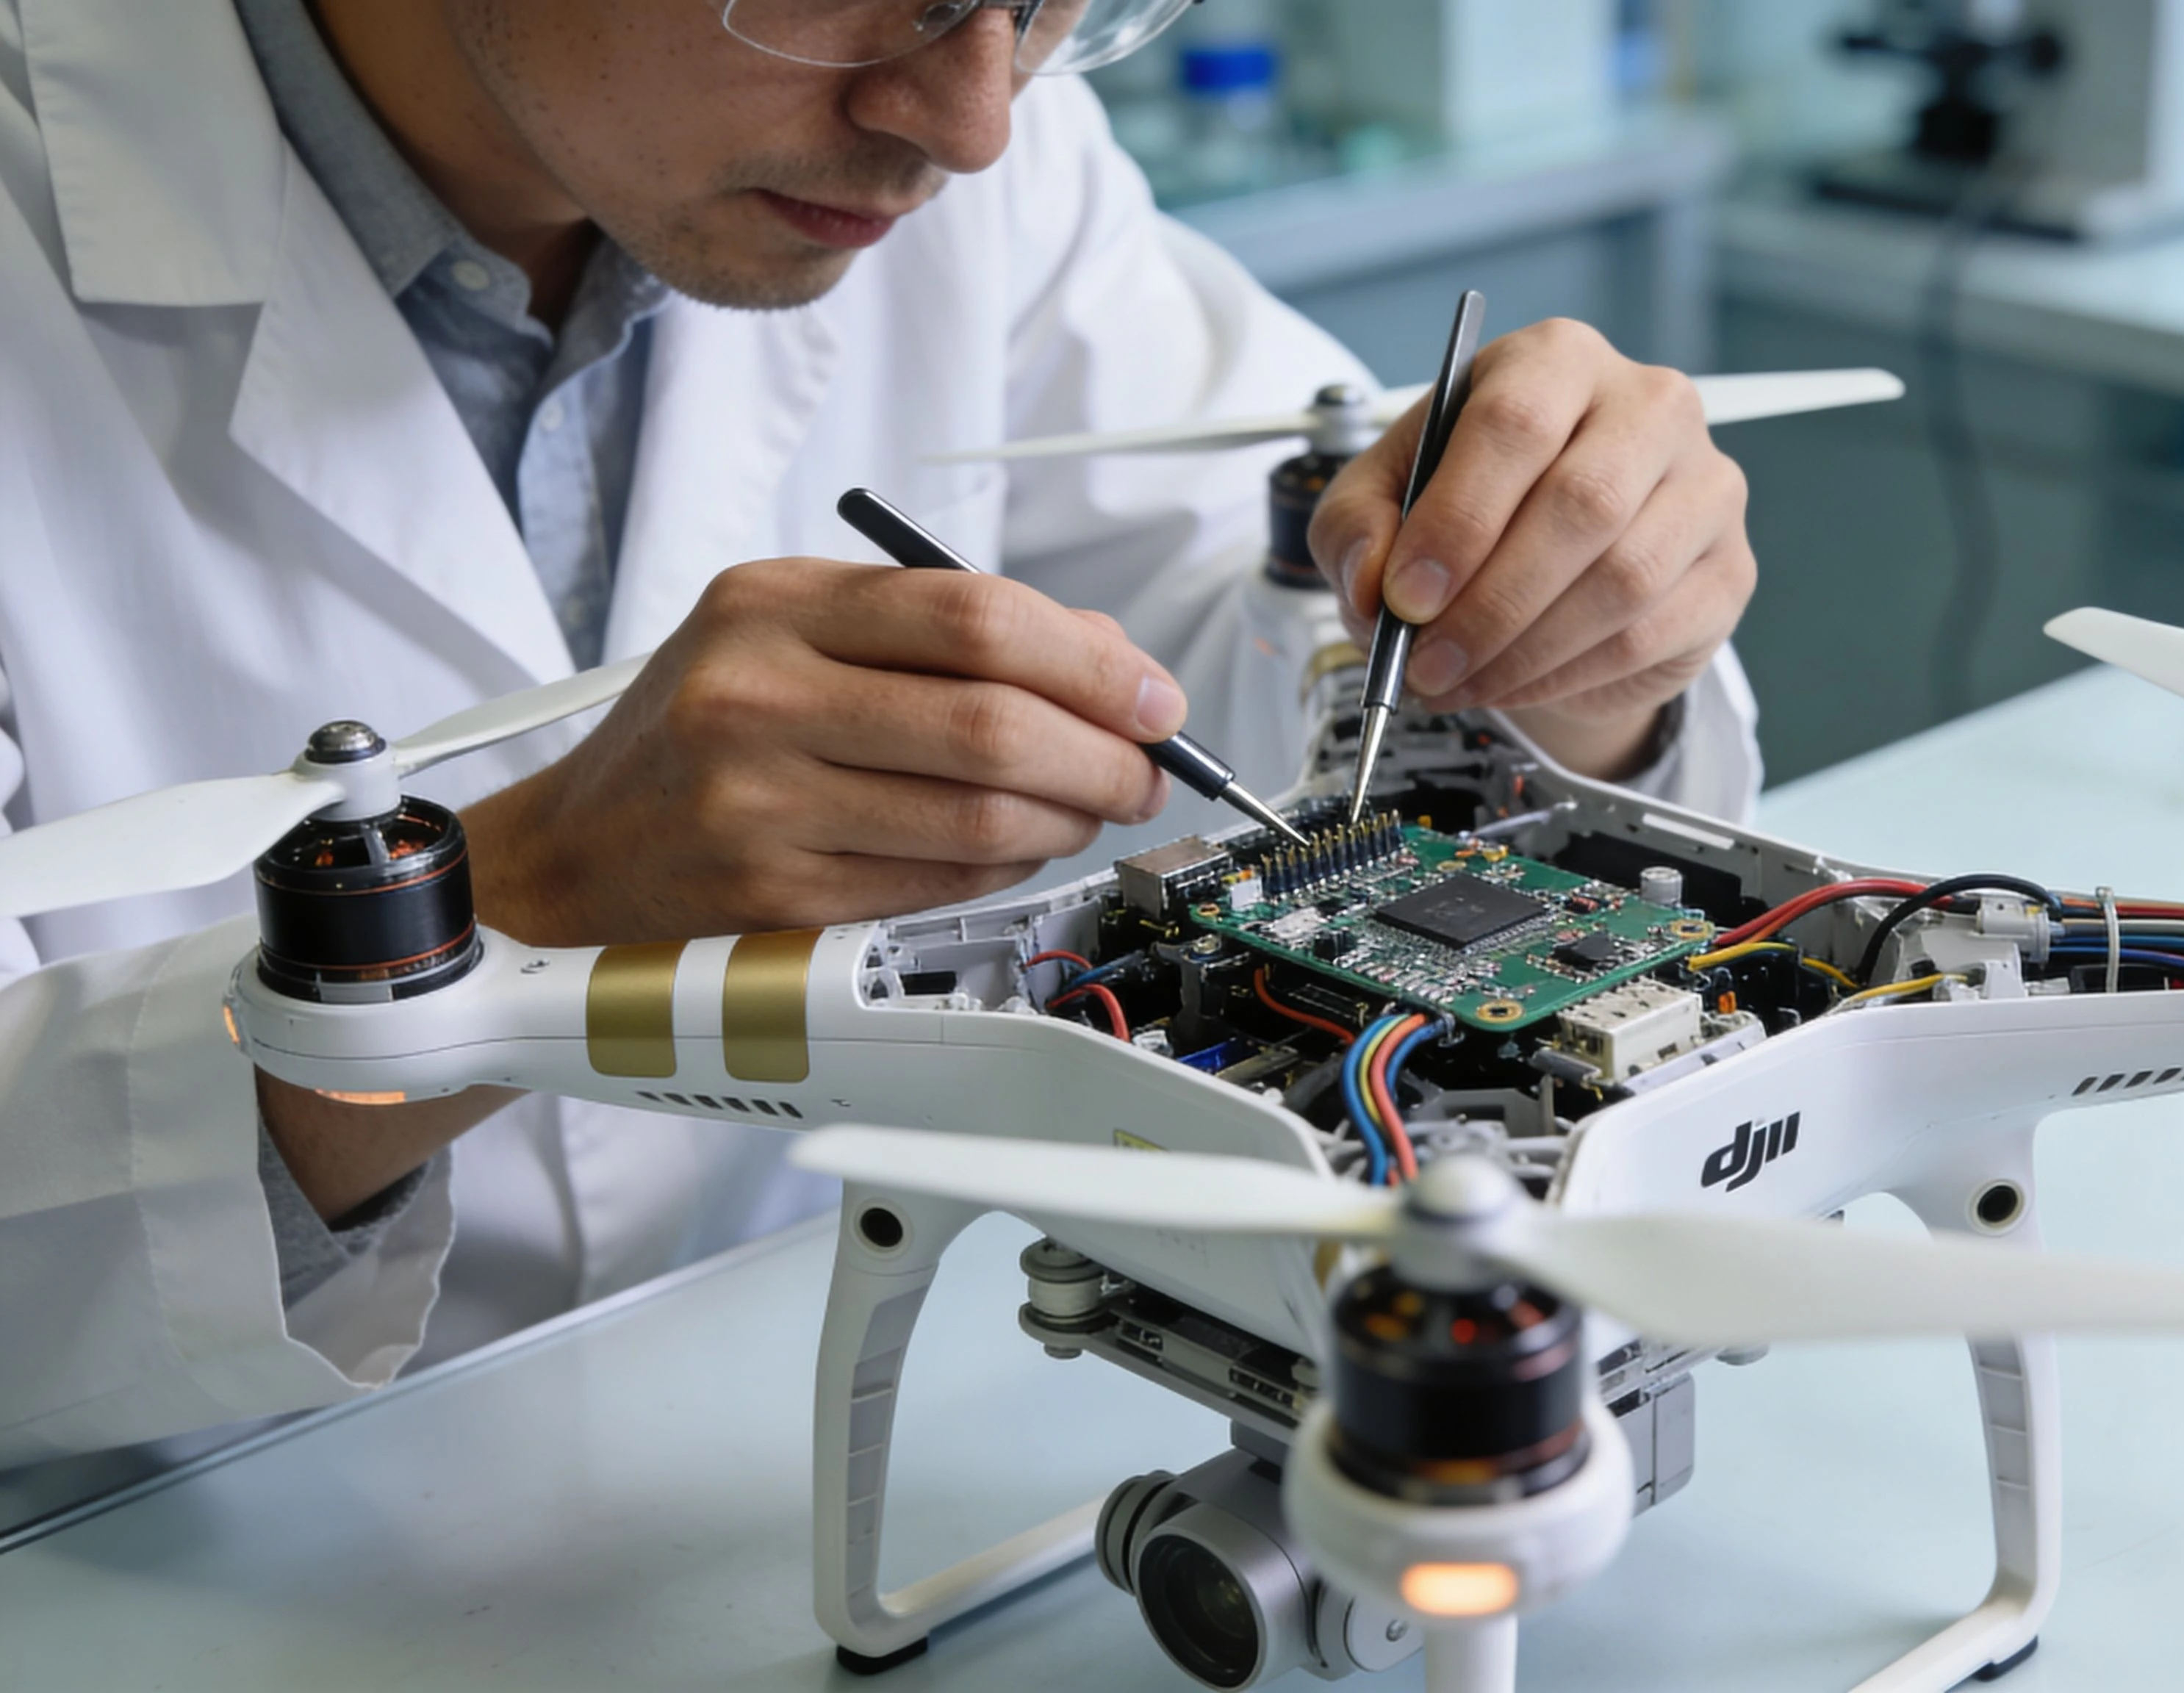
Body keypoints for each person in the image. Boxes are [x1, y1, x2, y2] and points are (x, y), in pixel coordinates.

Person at [0, 0, 1761, 1487]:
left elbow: (1280, 701)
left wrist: (1561, 646)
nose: (975, 119)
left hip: (848, 1433)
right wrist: (526, 911)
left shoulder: (975, 156)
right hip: (165, 1544)